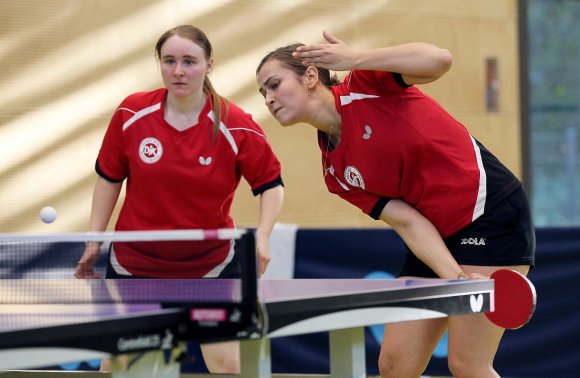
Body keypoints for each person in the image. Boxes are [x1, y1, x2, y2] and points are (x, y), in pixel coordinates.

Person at [256, 31, 535, 378]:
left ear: (310, 75)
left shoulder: (367, 83)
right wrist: (457, 277)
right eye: (263, 92)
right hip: (434, 233)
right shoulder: (336, 173)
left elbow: (439, 58)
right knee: (394, 365)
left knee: (467, 365)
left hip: (490, 213)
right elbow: (408, 222)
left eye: (274, 84)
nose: (268, 98)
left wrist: (355, 57)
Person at [75, 24, 284, 374]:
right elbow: (109, 178)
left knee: (228, 366)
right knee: (119, 367)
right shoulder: (131, 114)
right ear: (159, 64)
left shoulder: (236, 124)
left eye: (189, 61)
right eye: (169, 61)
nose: (178, 71)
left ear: (209, 65)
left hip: (210, 268)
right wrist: (94, 240)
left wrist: (262, 235)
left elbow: (271, 184)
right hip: (135, 266)